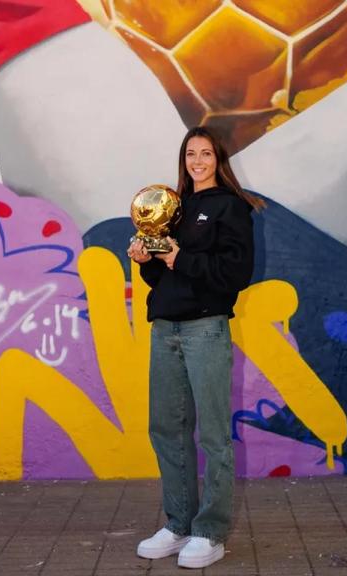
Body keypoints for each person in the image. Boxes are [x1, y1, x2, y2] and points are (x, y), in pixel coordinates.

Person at [127, 126, 264, 569]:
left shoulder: (231, 207)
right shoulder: (174, 208)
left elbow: (235, 274)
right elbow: (167, 279)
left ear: (218, 159)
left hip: (205, 328)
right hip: (164, 328)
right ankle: (178, 523)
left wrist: (176, 256)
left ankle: (211, 532)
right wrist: (147, 261)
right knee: (166, 428)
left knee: (212, 434)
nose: (198, 161)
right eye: (191, 153)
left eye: (206, 153)